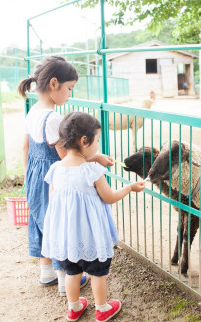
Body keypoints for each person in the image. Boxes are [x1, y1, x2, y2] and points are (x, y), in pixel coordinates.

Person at [18, 56, 113, 295]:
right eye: (69, 88)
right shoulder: (53, 118)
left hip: (35, 172)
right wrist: (96, 158)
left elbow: (25, 147)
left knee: (44, 222)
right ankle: (64, 278)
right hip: (55, 176)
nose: (70, 94)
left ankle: (46, 272)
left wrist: (28, 176)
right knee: (61, 223)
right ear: (53, 84)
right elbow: (67, 157)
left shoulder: (33, 112)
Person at [41, 112, 145, 321]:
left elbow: (55, 203)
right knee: (97, 272)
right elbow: (109, 197)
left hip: (68, 238)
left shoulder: (55, 170)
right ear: (84, 141)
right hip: (91, 237)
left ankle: (74, 307)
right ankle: (103, 308)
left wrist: (95, 157)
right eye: (97, 140)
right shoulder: (92, 172)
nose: (98, 145)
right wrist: (129, 187)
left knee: (72, 272)